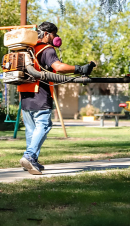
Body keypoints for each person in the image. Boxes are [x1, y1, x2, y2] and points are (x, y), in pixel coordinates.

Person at [19, 21, 95, 175]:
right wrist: (80, 69)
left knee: (32, 130)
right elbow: (58, 67)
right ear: (47, 34)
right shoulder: (47, 50)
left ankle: (30, 162)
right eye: (54, 33)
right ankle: (30, 156)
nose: (56, 37)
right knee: (44, 125)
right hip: (40, 94)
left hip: (25, 95)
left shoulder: (29, 49)